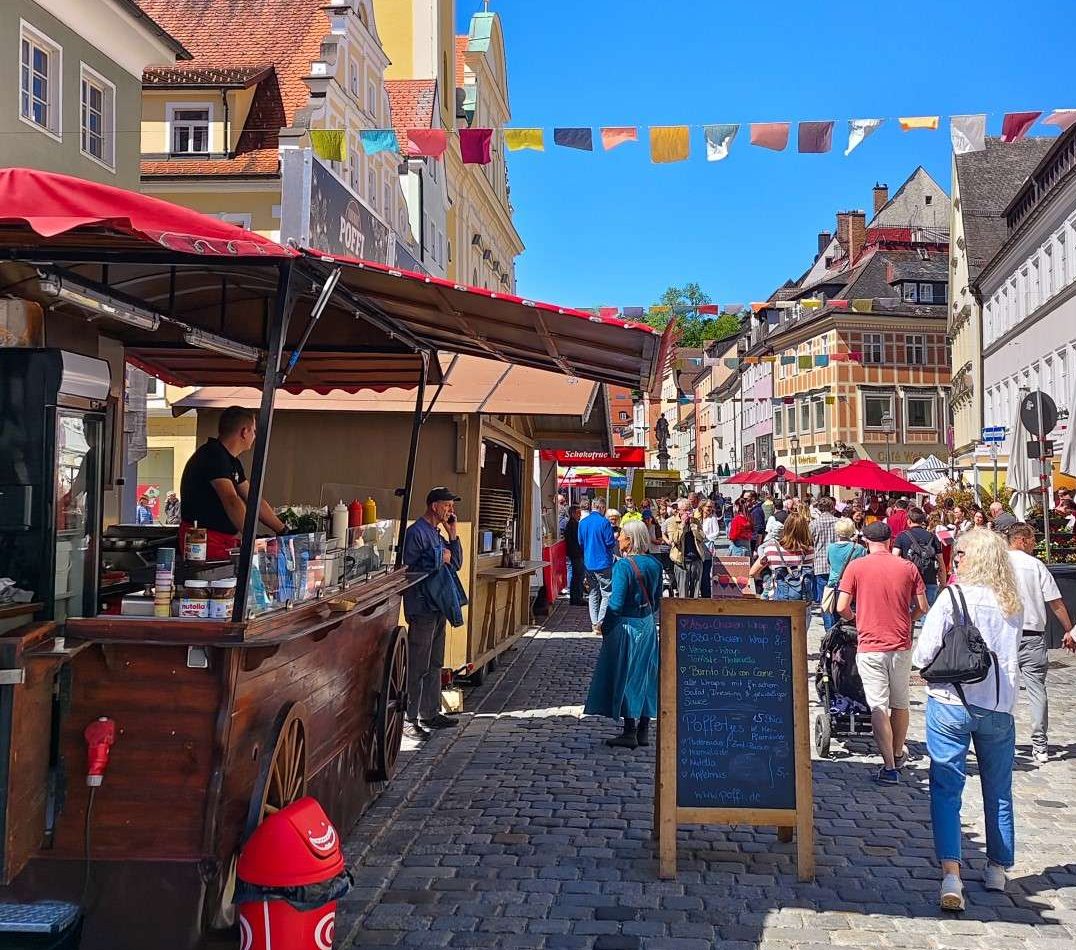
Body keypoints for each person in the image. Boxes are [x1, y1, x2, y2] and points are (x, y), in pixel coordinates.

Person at [912, 529, 1024, 911]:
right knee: (998, 789)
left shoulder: (953, 597)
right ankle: (997, 867)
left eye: (959, 552)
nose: (954, 557)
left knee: (946, 788)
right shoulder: (1011, 602)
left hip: (951, 701)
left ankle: (951, 874)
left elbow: (923, 653)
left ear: (972, 557)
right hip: (998, 706)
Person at [837, 521, 928, 784]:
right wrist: (910, 619)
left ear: (865, 540)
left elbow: (842, 606)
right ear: (891, 540)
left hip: (870, 642)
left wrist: (856, 618)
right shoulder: (907, 567)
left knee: (878, 704)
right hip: (900, 642)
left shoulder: (857, 567)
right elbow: (923, 605)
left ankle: (888, 766)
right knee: (900, 702)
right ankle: (898, 753)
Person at [584, 520, 662, 749]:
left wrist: (604, 627)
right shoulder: (655, 564)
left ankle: (629, 730)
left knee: (626, 675)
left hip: (627, 627)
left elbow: (615, 604)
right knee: (646, 675)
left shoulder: (623, 567)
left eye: (622, 536)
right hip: (647, 624)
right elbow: (657, 599)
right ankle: (644, 729)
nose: (618, 539)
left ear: (630, 540)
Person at [1007, 523, 1076, 762]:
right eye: (1033, 540)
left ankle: (1002, 741)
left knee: (1003, 689)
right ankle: (1040, 745)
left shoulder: (998, 564)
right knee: (1037, 691)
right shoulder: (1035, 566)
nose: (1035, 544)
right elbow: (1055, 602)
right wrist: (1069, 630)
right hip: (1033, 635)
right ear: (1022, 540)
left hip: (1004, 634)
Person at [178, 406, 286, 560]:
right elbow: (231, 500)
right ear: (244, 431)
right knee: (219, 583)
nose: (255, 436)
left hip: (222, 539)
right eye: (254, 431)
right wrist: (252, 537)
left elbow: (254, 500)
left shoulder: (232, 462)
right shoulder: (213, 456)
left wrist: (283, 530)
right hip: (202, 540)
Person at [401, 487, 466, 740]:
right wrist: (442, 555)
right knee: (418, 664)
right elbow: (412, 566)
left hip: (438, 605)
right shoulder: (416, 533)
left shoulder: (437, 533)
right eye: (447, 505)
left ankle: (430, 712)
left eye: (452, 505)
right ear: (434, 506)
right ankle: (409, 717)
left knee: (435, 661)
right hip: (421, 605)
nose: (451, 510)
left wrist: (452, 535)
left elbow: (456, 563)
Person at [749, 513, 814, 603]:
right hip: (802, 600)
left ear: (786, 528)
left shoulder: (771, 549)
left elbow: (752, 573)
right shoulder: (809, 550)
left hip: (777, 600)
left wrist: (766, 579)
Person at [578, 496, 617, 635]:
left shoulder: (583, 523)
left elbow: (580, 543)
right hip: (603, 563)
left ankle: (594, 622)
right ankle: (600, 622)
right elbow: (610, 543)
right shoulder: (604, 523)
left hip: (588, 563)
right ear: (601, 507)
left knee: (593, 593)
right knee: (607, 593)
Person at [893, 506, 945, 606]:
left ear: (909, 521)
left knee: (910, 614)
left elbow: (894, 559)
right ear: (922, 521)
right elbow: (941, 563)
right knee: (927, 614)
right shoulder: (933, 537)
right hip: (930, 580)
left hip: (909, 581)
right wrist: (943, 584)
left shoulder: (902, 536)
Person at [823, 517, 867, 630]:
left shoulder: (830, 548)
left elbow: (829, 563)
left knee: (833, 621)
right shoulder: (859, 548)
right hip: (852, 587)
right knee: (851, 621)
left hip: (834, 586)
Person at [667, 499, 707, 597]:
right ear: (679, 511)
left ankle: (694, 611)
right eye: (684, 510)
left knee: (695, 593)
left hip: (696, 559)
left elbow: (702, 537)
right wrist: (682, 525)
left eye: (689, 509)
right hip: (681, 561)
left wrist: (694, 527)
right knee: (683, 593)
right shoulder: (672, 522)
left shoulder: (696, 521)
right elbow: (674, 540)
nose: (687, 512)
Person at [809, 497, 840, 608]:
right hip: (837, 562)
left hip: (820, 562)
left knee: (824, 597)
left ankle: (829, 623)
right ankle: (835, 620)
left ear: (819, 508)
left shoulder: (813, 524)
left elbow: (809, 542)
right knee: (837, 594)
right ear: (832, 507)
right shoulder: (839, 522)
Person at [699, 500, 721, 598]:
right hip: (697, 548)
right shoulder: (697, 518)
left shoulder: (712, 518)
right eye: (708, 506)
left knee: (705, 573)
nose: (709, 509)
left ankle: (706, 596)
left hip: (707, 548)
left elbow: (716, 533)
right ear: (702, 507)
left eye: (711, 507)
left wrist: (705, 538)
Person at [564, 504, 585, 607]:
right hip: (576, 554)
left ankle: (576, 598)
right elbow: (577, 541)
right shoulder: (573, 524)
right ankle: (577, 598)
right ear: (573, 513)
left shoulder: (573, 524)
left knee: (577, 576)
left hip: (575, 554)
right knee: (578, 576)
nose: (580, 515)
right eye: (578, 513)